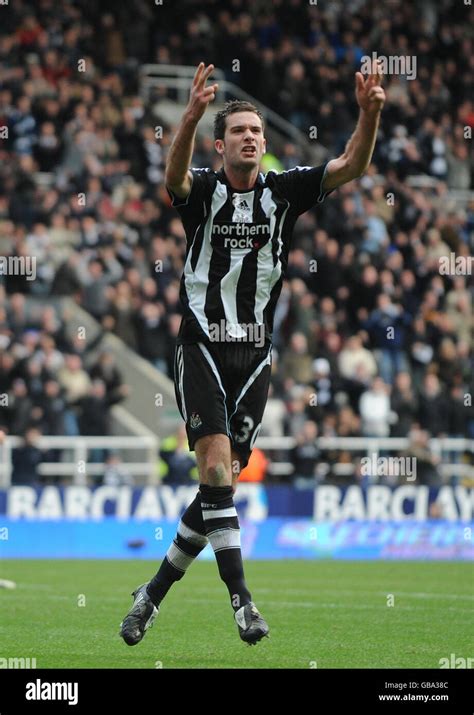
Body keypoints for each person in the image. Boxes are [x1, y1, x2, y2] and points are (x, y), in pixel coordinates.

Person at [120, 60, 385, 646]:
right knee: (214, 470)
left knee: (218, 491)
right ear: (220, 146)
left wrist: (368, 115)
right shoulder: (206, 192)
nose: (250, 138)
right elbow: (174, 179)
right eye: (238, 131)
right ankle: (243, 604)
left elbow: (351, 166)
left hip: (256, 359)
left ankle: (152, 595)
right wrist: (187, 118)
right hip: (204, 349)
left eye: (256, 133)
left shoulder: (283, 193)